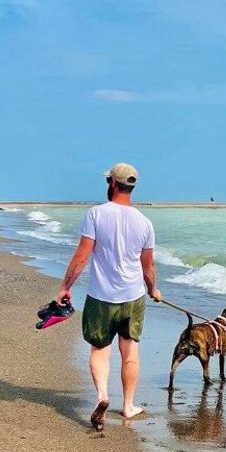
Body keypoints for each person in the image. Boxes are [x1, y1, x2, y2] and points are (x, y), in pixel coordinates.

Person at [56, 163, 162, 431]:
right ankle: (128, 406)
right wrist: (152, 290)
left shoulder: (95, 214)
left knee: (99, 350)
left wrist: (65, 287)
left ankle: (103, 395)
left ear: (112, 184)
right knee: (130, 351)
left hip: (101, 297)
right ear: (131, 187)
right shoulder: (144, 222)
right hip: (133, 297)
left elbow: (82, 256)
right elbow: (147, 266)